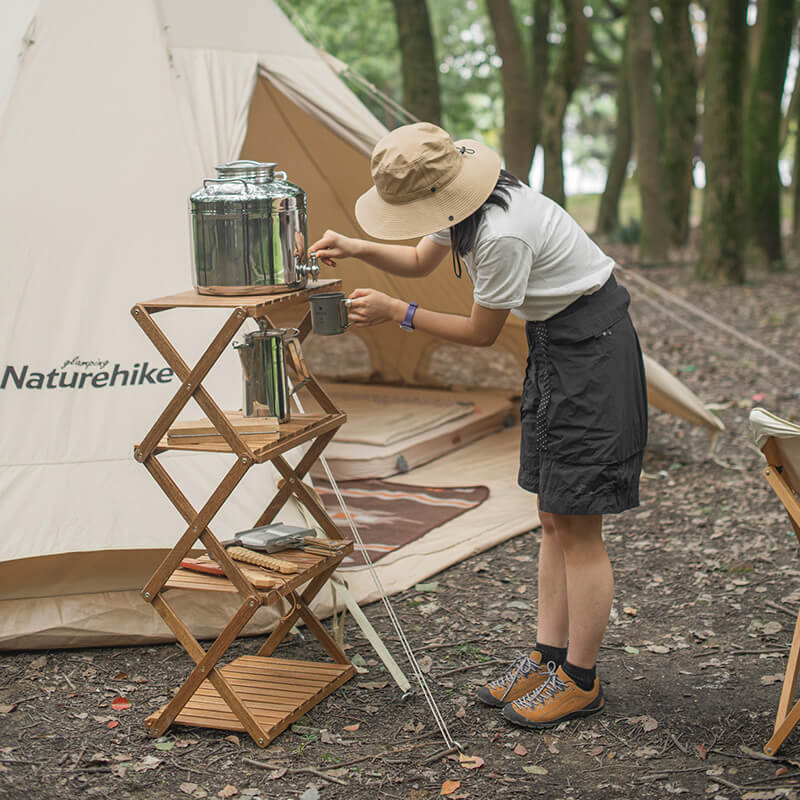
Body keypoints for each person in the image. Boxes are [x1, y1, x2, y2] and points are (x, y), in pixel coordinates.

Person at [310, 122, 647, 729]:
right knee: (551, 517)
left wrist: (398, 314)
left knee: (579, 526)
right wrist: (357, 247)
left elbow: (481, 333)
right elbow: (417, 260)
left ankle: (581, 680)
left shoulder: (501, 234)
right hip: (556, 349)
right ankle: (548, 658)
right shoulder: (461, 200)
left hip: (593, 355)